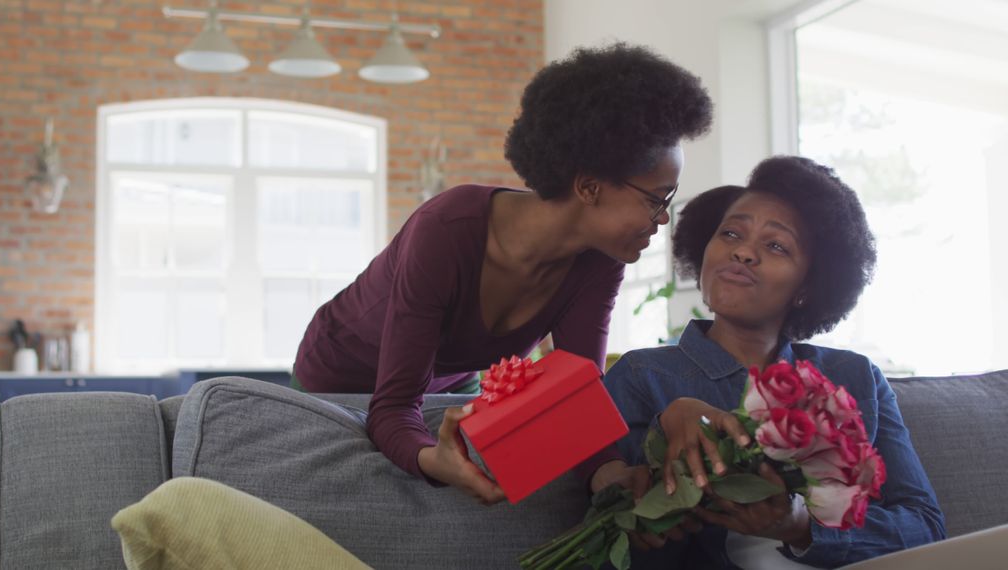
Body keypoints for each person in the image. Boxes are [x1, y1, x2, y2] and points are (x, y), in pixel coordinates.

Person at [291, 43, 713, 503]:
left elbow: (577, 394)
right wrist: (432, 459)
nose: (664, 219)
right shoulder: (446, 230)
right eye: (657, 198)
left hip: (449, 385)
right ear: (589, 187)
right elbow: (392, 407)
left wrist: (609, 475)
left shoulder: (599, 260)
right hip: (339, 376)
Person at [602, 156, 945, 568]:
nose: (743, 252)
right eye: (730, 233)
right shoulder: (640, 377)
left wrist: (801, 524)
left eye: (776, 245)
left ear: (808, 286)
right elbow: (612, 526)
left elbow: (925, 527)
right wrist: (669, 427)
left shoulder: (855, 378)